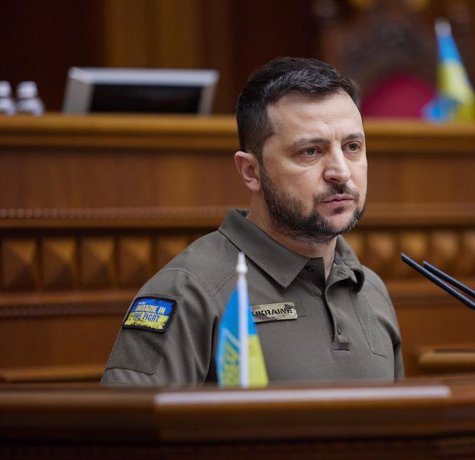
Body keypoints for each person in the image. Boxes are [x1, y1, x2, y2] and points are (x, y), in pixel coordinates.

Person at [101, 57, 404, 385]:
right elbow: (129, 431)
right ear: (251, 171)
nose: (341, 171)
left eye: (352, 147)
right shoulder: (189, 290)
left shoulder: (370, 289)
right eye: (310, 152)